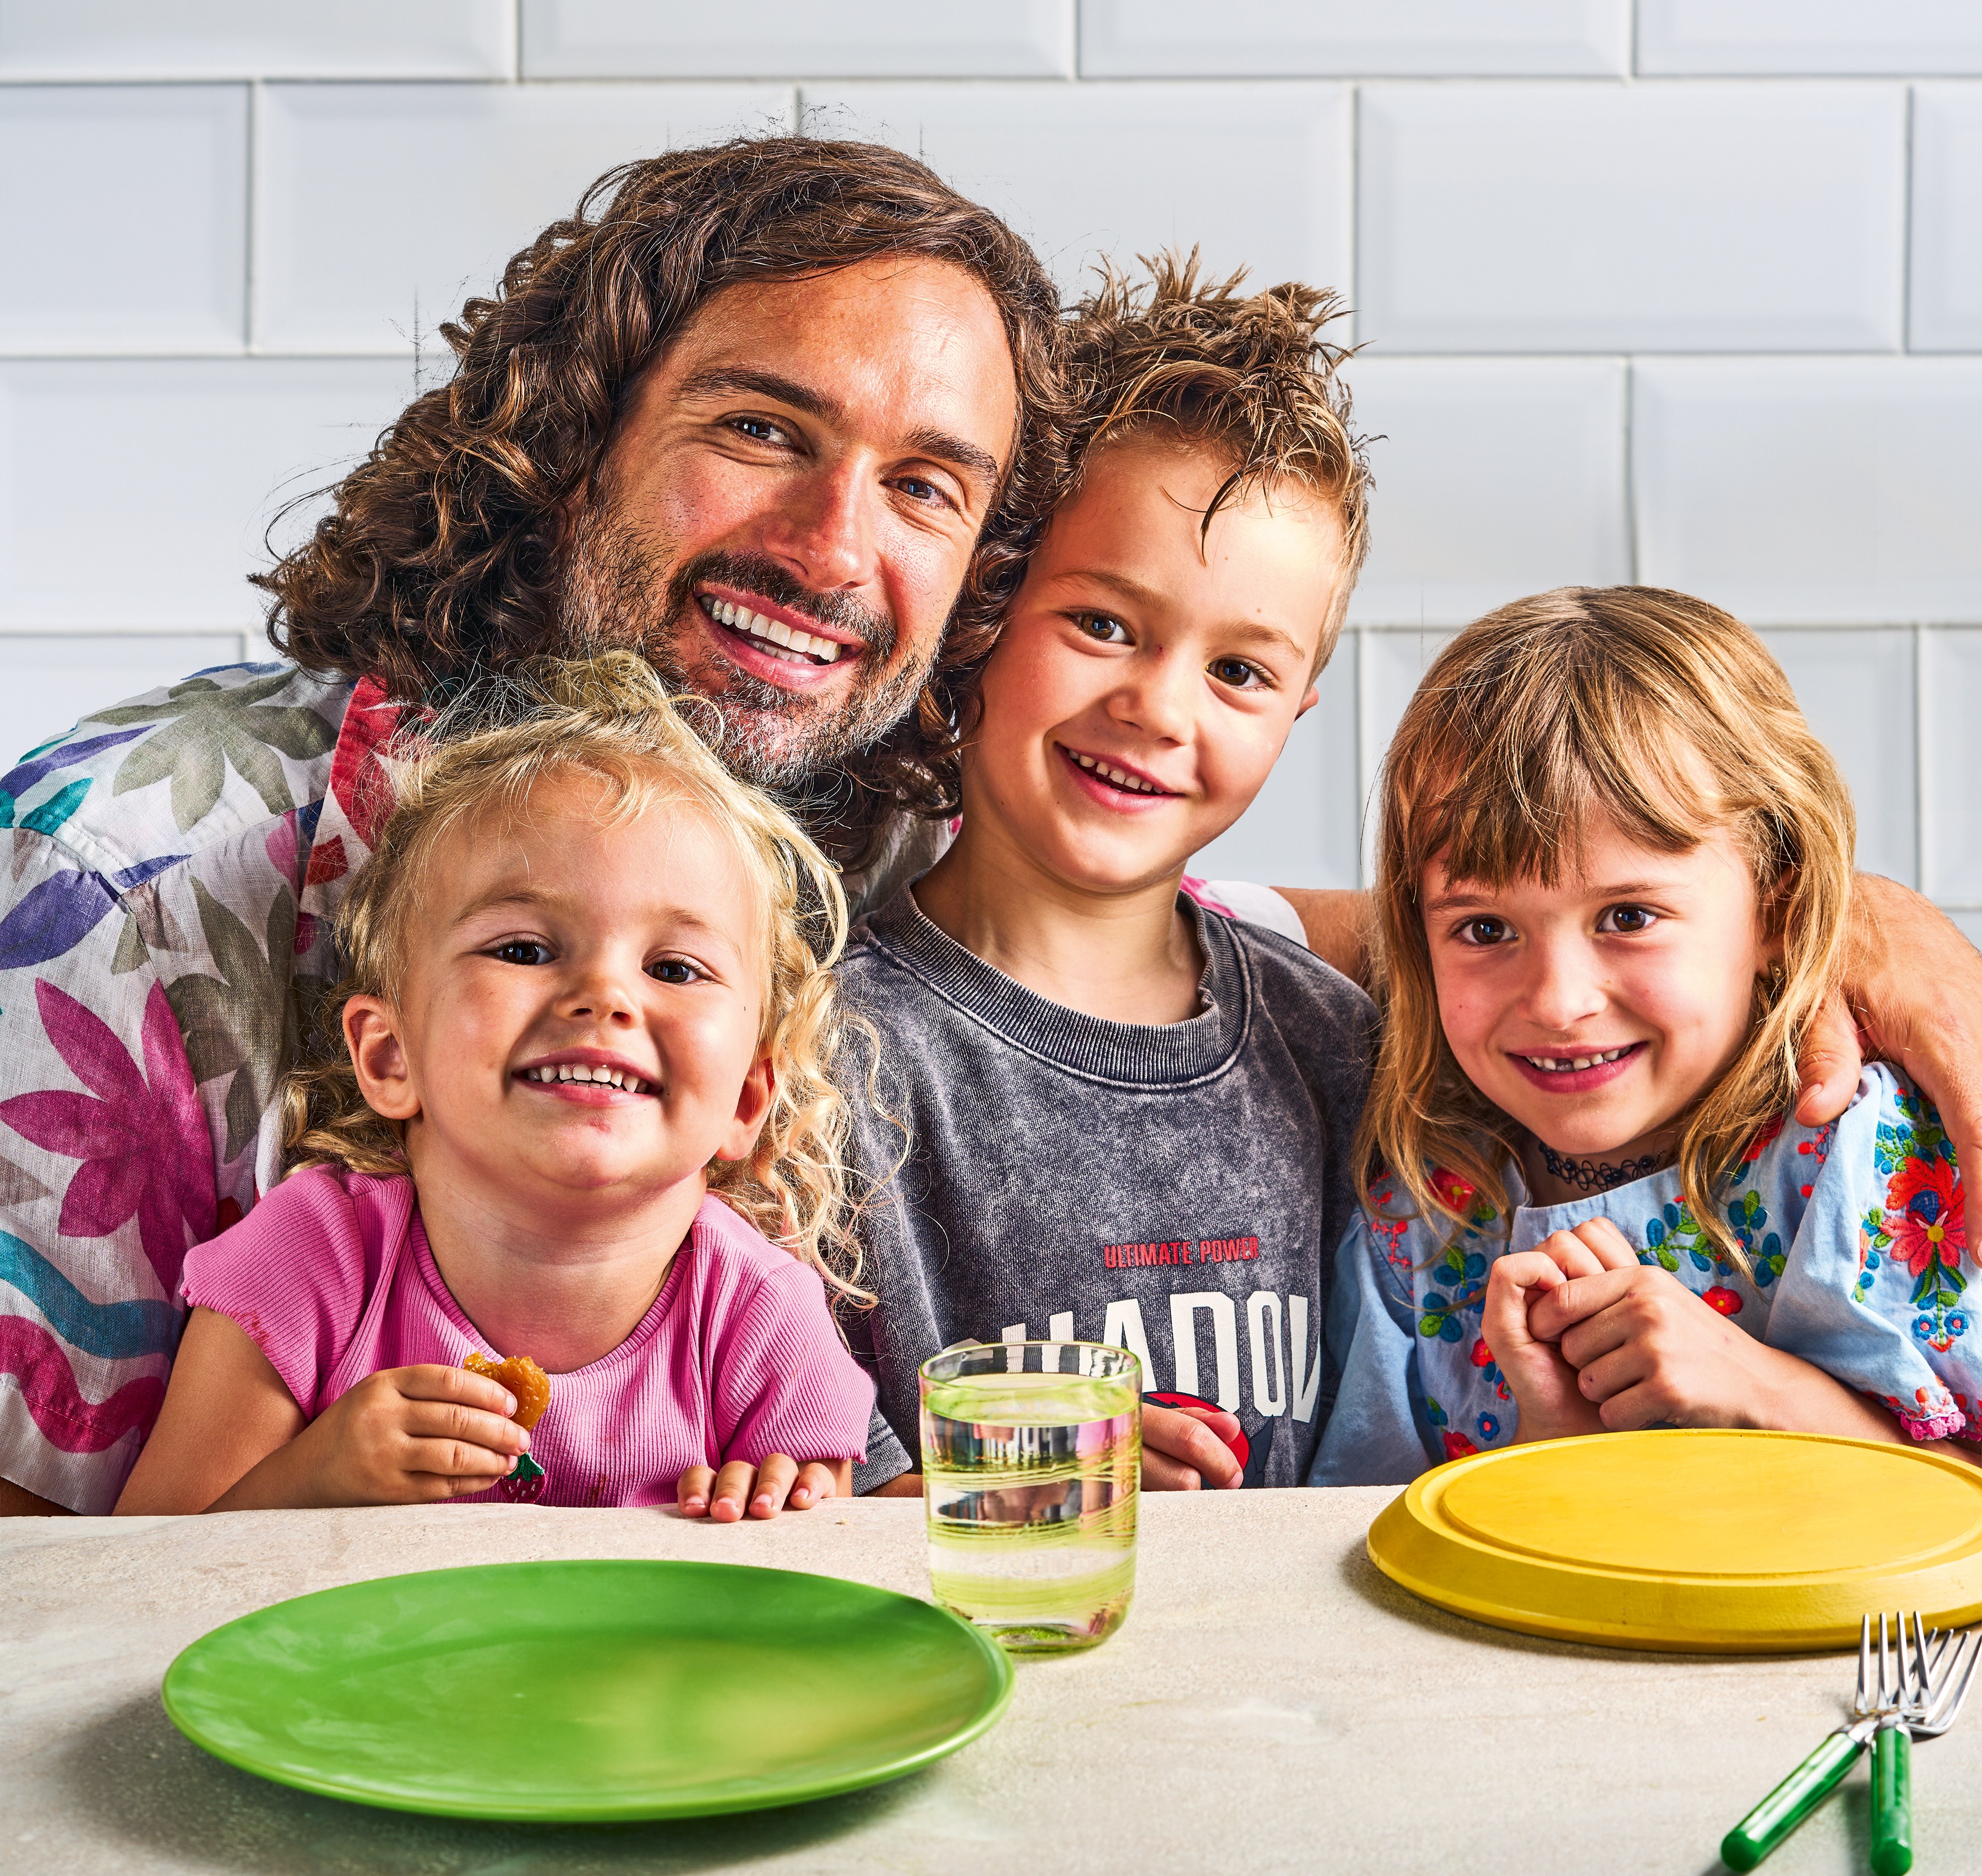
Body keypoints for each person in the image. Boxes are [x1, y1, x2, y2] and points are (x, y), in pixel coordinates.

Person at [1, 134, 1973, 1515]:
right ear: (575, 415)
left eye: (932, 485)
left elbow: (1372, 922)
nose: (835, 544)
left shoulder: (825, 846)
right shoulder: (114, 881)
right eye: (764, 425)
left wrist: (1850, 928)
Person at [844, 259, 1377, 1494]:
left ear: (1298, 710)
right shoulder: (831, 1058)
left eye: (1239, 672)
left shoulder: (1336, 1049)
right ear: (980, 614)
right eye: (1102, 625)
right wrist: (1004, 1482)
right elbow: (784, 1476)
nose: (1156, 707)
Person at [116, 654, 874, 1518]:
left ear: (745, 1101)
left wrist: (771, 1515)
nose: (605, 996)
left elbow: (822, 1586)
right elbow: (148, 1570)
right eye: (523, 949)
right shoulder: (308, 1262)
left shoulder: (763, 1320)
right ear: (391, 1057)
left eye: (674, 967)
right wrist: (313, 1478)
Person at [1316, 589, 1973, 1484]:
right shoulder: (1417, 1216)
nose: (1557, 1001)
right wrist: (1554, 1451)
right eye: (1483, 929)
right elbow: (1366, 1542)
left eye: (1627, 915)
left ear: (1776, 908)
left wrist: (1768, 1393)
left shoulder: (1863, 1159)